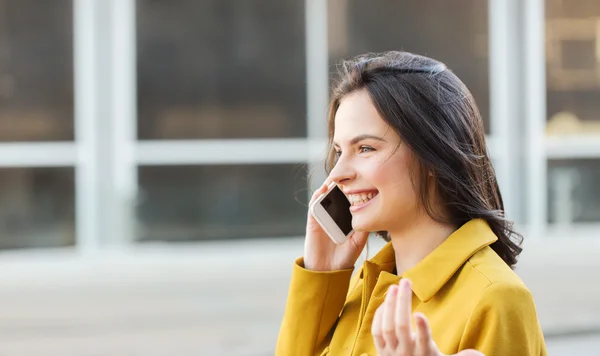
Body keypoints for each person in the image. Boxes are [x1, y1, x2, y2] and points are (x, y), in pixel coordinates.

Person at [275, 51, 547, 356]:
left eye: (365, 148)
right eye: (339, 151)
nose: (338, 174)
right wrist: (320, 280)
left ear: (432, 154)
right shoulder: (366, 287)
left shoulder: (496, 298)